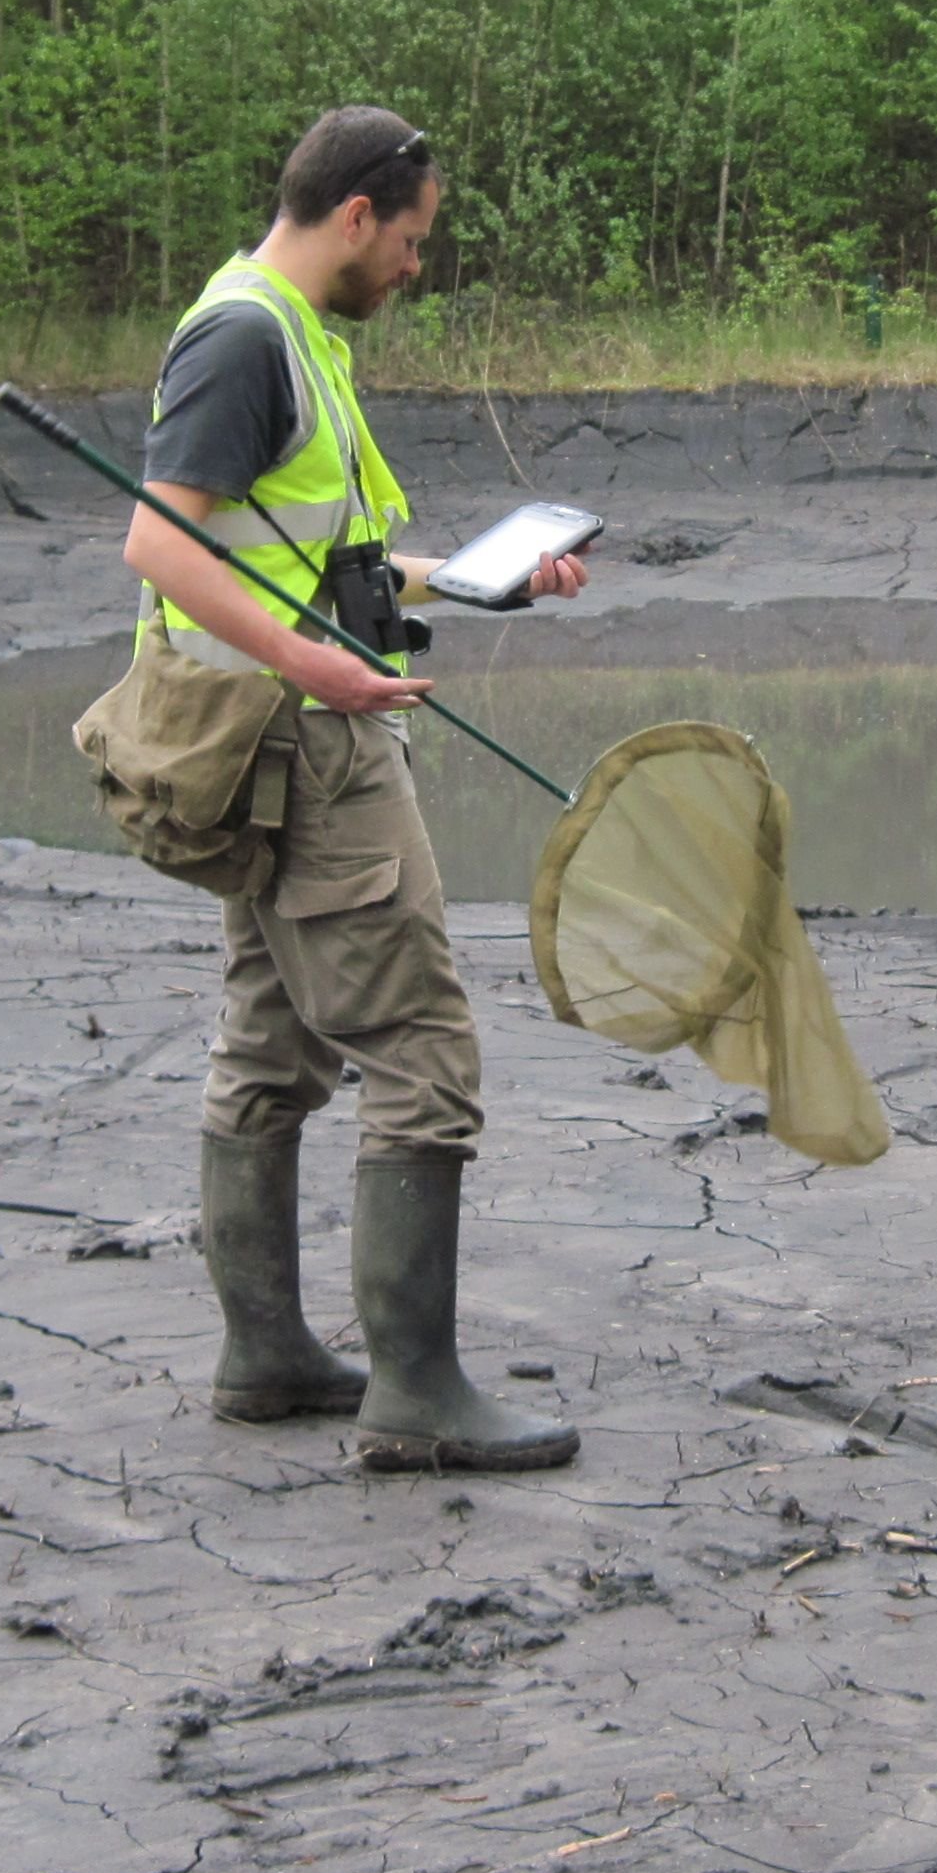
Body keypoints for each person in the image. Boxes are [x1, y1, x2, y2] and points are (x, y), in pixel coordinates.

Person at [126, 106, 591, 1474]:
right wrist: (312, 669)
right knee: (424, 1051)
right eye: (412, 238)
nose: (415, 267)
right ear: (354, 216)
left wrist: (488, 580)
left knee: (274, 1042)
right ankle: (417, 1392)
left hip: (270, 725)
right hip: (295, 741)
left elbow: (334, 560)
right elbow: (159, 541)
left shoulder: (292, 335)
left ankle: (265, 1354)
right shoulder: (246, 336)